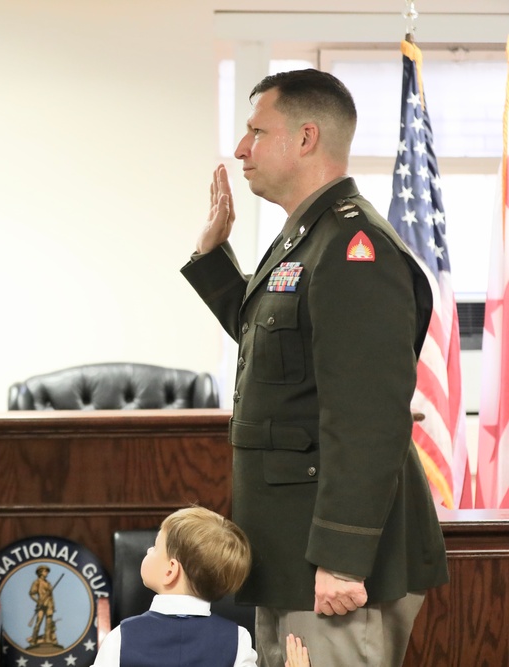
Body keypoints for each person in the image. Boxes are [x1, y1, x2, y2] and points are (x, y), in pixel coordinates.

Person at [181, 68, 448, 666]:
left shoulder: (355, 250)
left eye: (256, 131)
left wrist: (343, 557)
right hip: (292, 550)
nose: (242, 148)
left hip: (334, 565)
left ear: (304, 139)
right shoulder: (308, 238)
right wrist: (211, 258)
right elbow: (280, 351)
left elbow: (369, 417)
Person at [93, 506, 257, 667]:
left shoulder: (121, 637)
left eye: (156, 547)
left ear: (170, 571)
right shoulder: (237, 640)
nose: (149, 550)